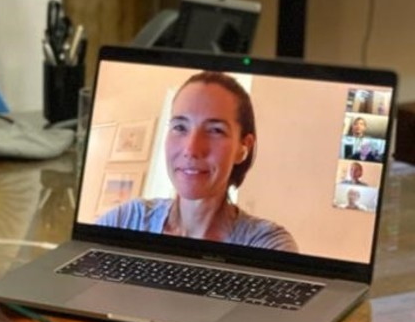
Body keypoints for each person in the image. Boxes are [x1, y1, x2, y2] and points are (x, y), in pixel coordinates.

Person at [95, 71, 298, 251]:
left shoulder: (267, 244)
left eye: (215, 130)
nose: (191, 149)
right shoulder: (126, 219)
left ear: (242, 147)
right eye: (180, 127)